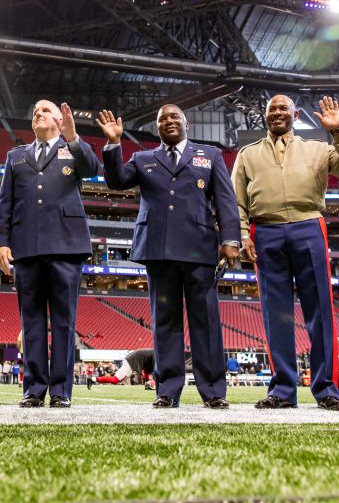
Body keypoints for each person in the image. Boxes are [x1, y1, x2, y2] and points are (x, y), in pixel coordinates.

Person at [231, 95, 339, 412]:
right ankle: (282, 389)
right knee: (275, 313)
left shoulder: (319, 147)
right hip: (264, 231)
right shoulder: (247, 154)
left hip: (308, 226)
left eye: (283, 109)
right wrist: (241, 234)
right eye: (272, 109)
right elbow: (236, 201)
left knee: (320, 309)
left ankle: (327, 389)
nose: (277, 113)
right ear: (264, 116)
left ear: (295, 115)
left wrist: (338, 133)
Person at [98, 105, 241, 409]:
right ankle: (167, 390)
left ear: (186, 123)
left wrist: (230, 239)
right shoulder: (143, 158)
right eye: (163, 118)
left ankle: (214, 391)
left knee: (207, 323)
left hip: (200, 249)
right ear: (158, 126)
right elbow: (116, 181)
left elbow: (226, 200)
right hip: (159, 250)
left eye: (174, 117)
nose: (169, 121)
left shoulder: (210, 154)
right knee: (165, 323)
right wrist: (113, 144)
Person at [0, 100, 99, 409]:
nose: (37, 113)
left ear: (58, 119)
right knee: (32, 322)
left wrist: (74, 138)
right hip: (26, 248)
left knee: (65, 322)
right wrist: (2, 241)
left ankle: (61, 390)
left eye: (44, 110)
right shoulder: (16, 157)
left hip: (66, 246)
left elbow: (93, 169)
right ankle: (34, 388)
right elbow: (5, 203)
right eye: (34, 111)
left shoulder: (73, 149)